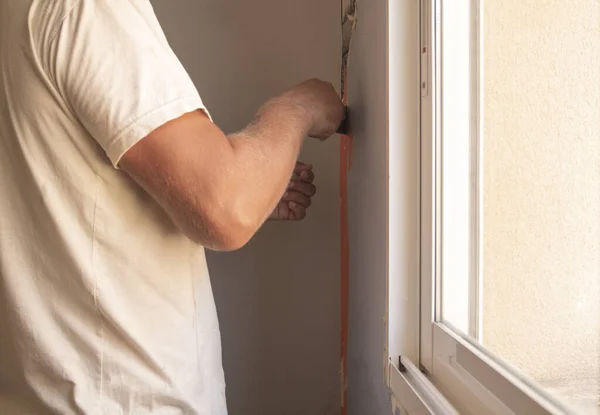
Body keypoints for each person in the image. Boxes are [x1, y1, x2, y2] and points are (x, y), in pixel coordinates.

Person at [0, 1, 345, 414]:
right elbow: (226, 208)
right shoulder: (85, 9)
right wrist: (298, 107)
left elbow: (51, 193)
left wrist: (211, 184)